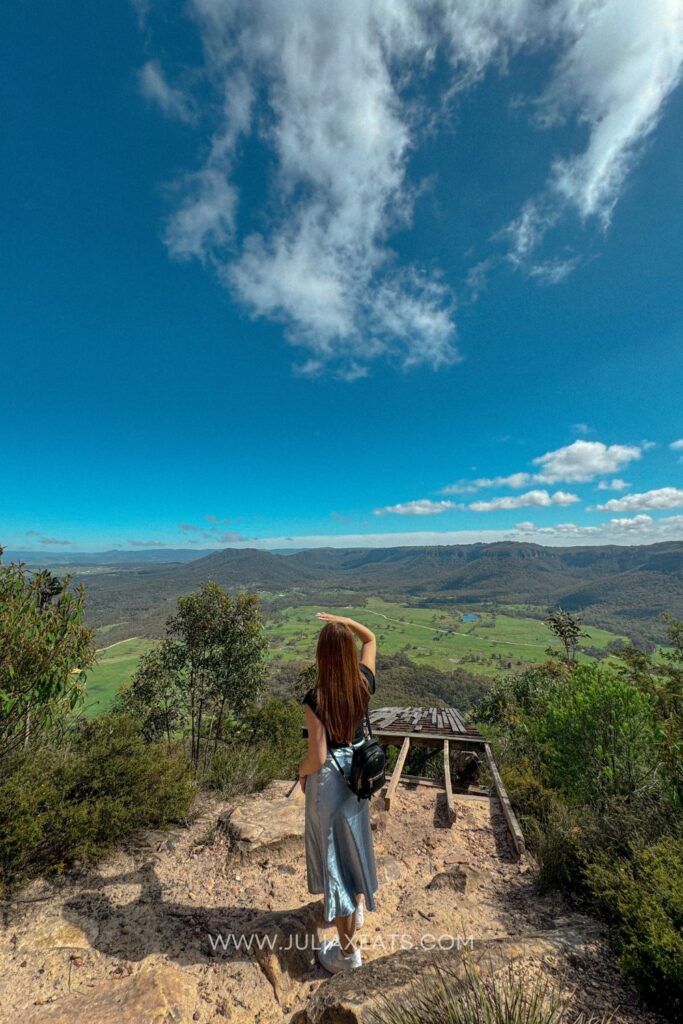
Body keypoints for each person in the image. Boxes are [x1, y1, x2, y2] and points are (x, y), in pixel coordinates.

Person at [298, 612, 379, 973]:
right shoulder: (363, 681)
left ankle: (347, 955)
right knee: (354, 848)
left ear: (321, 656)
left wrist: (300, 774)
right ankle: (356, 910)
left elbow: (316, 757)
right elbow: (372, 640)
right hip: (359, 774)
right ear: (347, 653)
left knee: (336, 864)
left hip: (330, 779)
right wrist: (347, 622)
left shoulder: (315, 698)